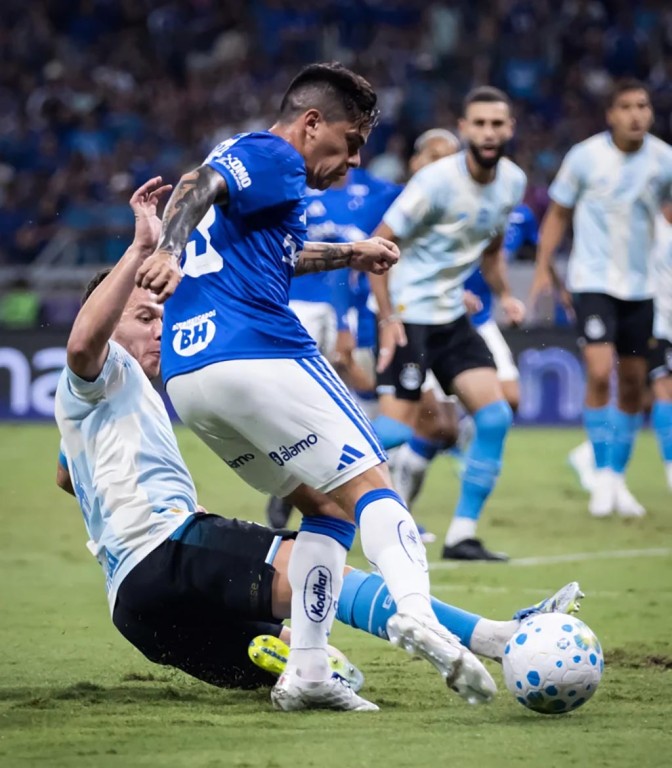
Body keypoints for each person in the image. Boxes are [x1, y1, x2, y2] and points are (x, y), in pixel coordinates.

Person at [134, 62, 495, 711]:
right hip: (254, 349)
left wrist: (352, 253)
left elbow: (279, 257)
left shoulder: (271, 187)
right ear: (310, 123)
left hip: (191, 379)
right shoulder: (273, 154)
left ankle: (306, 670)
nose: (354, 160)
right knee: (371, 481)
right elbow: (196, 183)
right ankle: (417, 610)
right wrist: (165, 248)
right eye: (350, 141)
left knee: (326, 509)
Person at [370, 86, 526, 563]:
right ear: (464, 129)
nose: (488, 132)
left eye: (497, 124)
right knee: (391, 433)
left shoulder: (512, 182)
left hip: (452, 318)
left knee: (495, 416)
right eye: (479, 123)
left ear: (510, 129)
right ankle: (303, 483)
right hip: (410, 316)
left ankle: (461, 536)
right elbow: (378, 246)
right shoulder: (435, 182)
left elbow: (492, 249)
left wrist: (504, 294)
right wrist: (388, 317)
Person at [531, 79, 672, 517]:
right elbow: (558, 213)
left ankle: (614, 478)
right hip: (592, 281)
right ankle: (598, 474)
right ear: (610, 114)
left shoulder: (664, 160)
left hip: (642, 287)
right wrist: (543, 267)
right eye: (626, 106)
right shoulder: (585, 156)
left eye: (642, 106)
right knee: (597, 372)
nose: (636, 114)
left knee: (632, 383)